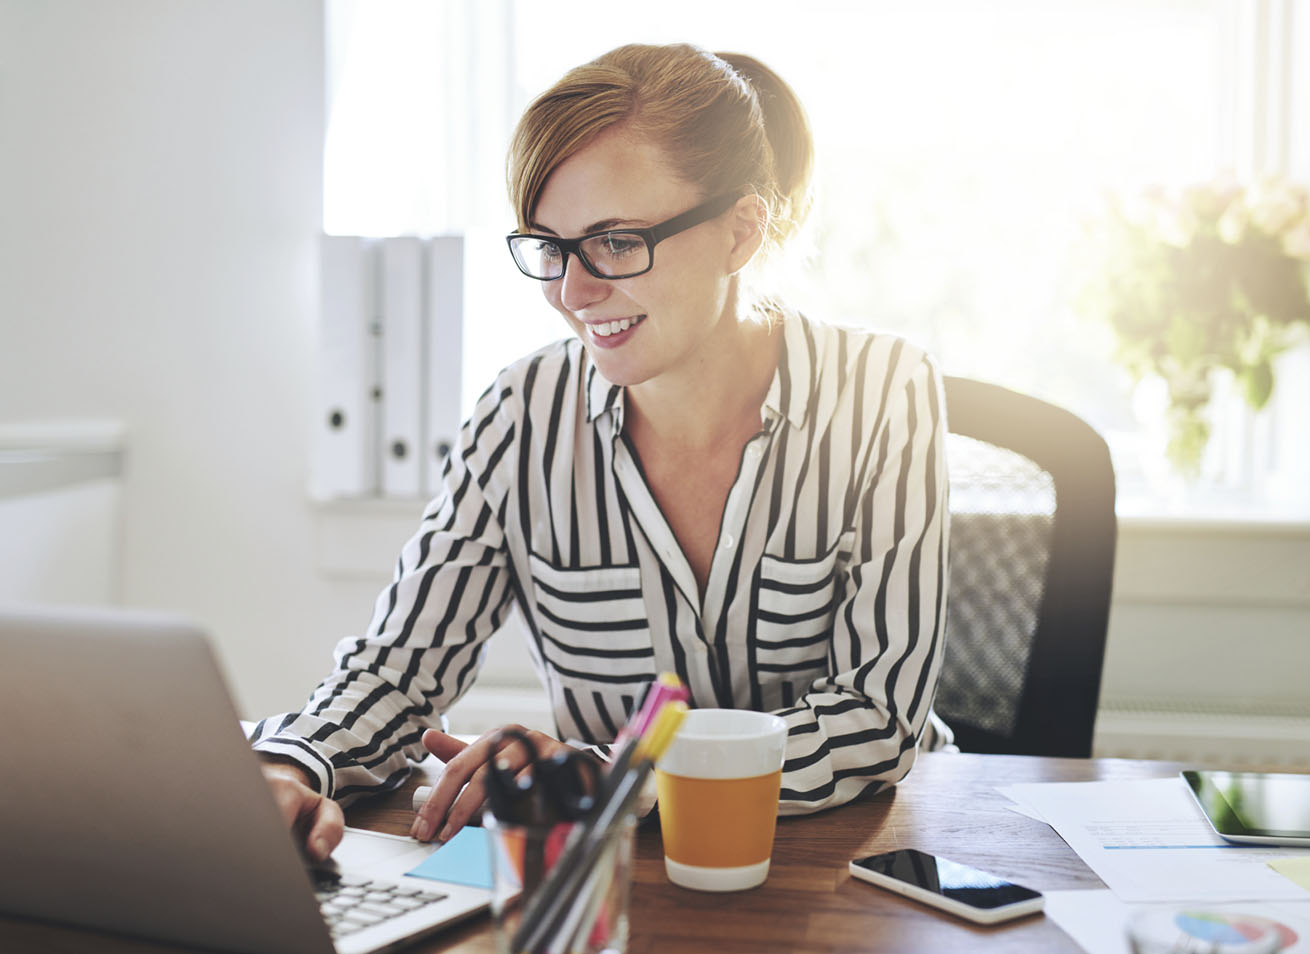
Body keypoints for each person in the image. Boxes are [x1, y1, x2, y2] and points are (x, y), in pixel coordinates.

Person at [253, 42, 949, 862]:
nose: (573, 294)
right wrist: (284, 765)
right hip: (615, 884)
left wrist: (618, 775)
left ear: (740, 230)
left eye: (616, 242)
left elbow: (877, 715)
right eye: (550, 247)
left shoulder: (882, 389)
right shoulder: (522, 413)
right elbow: (397, 670)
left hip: (848, 868)